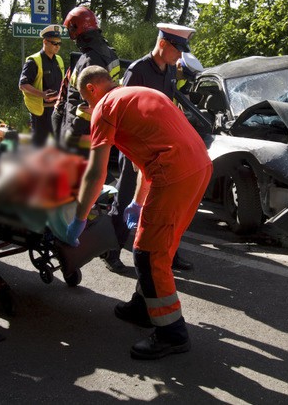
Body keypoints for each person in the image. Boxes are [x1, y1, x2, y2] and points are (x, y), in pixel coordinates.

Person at [65, 66, 212, 360]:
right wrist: (137, 202)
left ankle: (172, 333)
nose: (88, 106)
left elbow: (96, 172)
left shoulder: (105, 107)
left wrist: (79, 219)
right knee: (160, 245)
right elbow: (142, 162)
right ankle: (144, 306)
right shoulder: (140, 94)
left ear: (92, 89)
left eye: (85, 98)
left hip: (173, 173)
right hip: (199, 168)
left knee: (148, 253)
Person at [102, 23, 198, 273]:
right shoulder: (138, 70)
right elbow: (123, 111)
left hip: (161, 147)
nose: (180, 56)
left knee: (165, 203)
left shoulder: (168, 71)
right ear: (163, 44)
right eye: (177, 50)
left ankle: (169, 252)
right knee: (125, 198)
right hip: (136, 146)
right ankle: (111, 251)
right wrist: (134, 154)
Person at [59, 6, 121, 155]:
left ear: (75, 28)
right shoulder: (110, 54)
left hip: (81, 131)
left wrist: (72, 135)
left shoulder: (89, 60)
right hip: (99, 127)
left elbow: (88, 103)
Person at [19, 24, 65, 147]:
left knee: (57, 144)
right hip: (40, 111)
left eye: (59, 43)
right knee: (39, 145)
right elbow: (23, 85)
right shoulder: (33, 61)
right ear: (45, 41)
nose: (57, 46)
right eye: (54, 43)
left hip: (56, 109)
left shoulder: (59, 60)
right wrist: (42, 94)